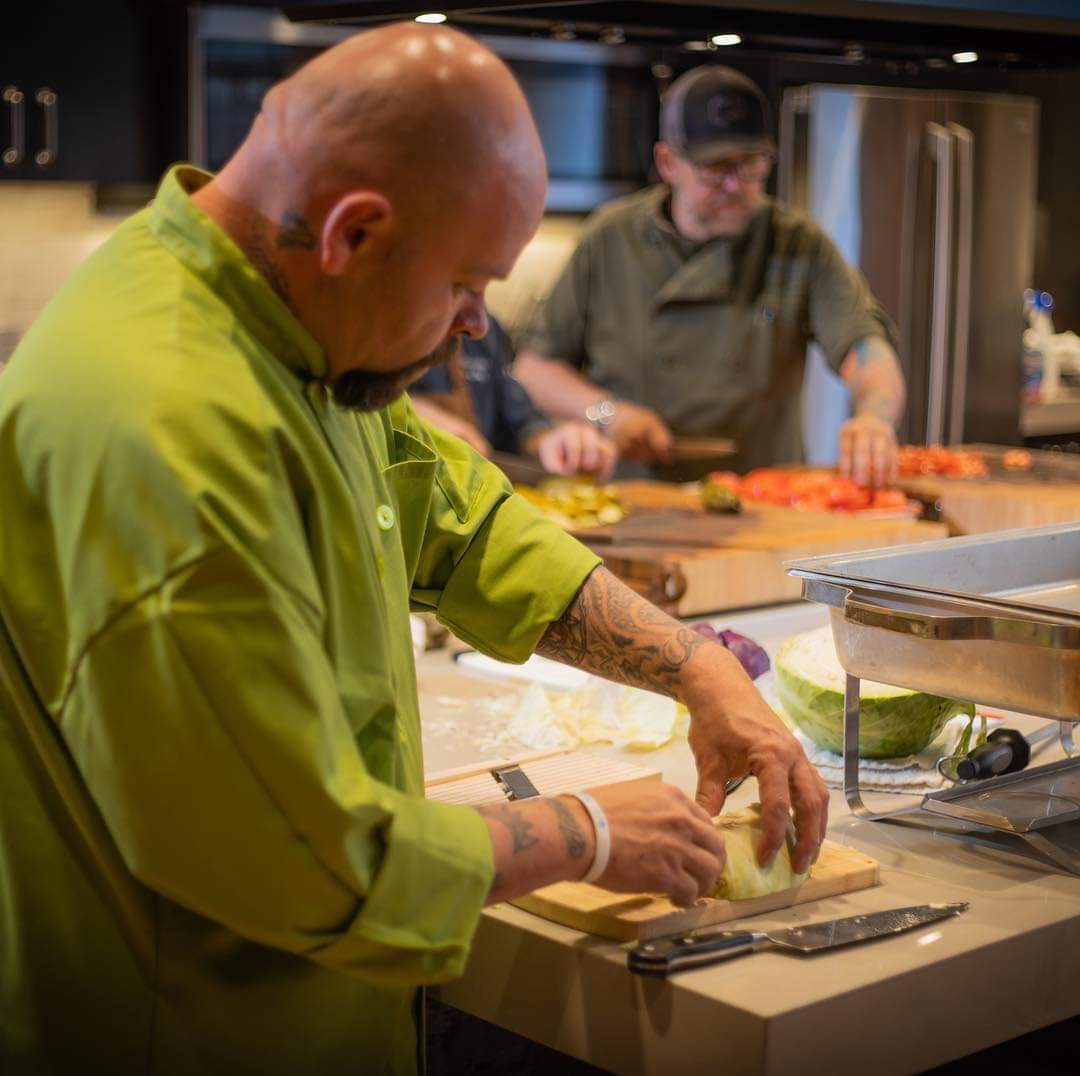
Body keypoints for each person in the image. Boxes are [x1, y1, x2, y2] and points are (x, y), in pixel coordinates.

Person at [0, 26, 828, 1075]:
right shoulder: (166, 434)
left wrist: (697, 666)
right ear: (352, 232)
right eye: (468, 283)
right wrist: (586, 830)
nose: (477, 325)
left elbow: (459, 518)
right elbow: (298, 859)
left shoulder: (276, 317)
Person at [515, 64, 906, 487]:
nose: (736, 185)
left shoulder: (796, 244)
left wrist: (874, 417)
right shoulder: (610, 239)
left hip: (760, 498)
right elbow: (534, 370)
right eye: (717, 168)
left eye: (751, 165)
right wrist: (608, 413)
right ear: (668, 163)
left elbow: (866, 347)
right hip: (631, 496)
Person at [409, 315, 617, 479]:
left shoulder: (484, 329)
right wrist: (407, 413)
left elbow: (521, 422)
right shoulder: (396, 325)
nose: (477, 322)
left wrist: (554, 443)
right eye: (459, 285)